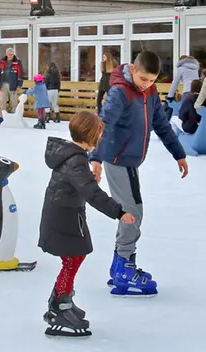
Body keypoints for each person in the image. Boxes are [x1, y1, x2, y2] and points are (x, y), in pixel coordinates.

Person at [89, 51, 188, 296]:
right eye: (144, 79)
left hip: (131, 160)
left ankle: (120, 265)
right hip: (116, 158)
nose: (147, 85)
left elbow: (161, 124)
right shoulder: (120, 92)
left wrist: (178, 153)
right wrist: (96, 157)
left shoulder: (150, 93)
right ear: (133, 70)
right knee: (132, 212)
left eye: (152, 81)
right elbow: (104, 123)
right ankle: (124, 266)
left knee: (132, 211)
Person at [40, 112, 135, 337]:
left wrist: (88, 181)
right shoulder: (76, 159)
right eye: (99, 133)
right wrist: (119, 212)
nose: (101, 137)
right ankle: (60, 305)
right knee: (73, 259)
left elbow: (81, 185)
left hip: (64, 211)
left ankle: (61, 300)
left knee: (74, 257)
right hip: (64, 215)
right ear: (90, 134)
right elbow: (91, 193)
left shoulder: (72, 155)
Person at [0, 48, 24, 125]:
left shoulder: (17, 62)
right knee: (2, 101)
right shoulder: (1, 61)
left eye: (12, 54)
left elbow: (20, 74)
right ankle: (2, 117)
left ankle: (14, 117)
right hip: (3, 84)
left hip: (13, 84)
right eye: (9, 54)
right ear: (6, 54)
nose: (10, 56)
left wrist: (19, 85)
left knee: (14, 102)